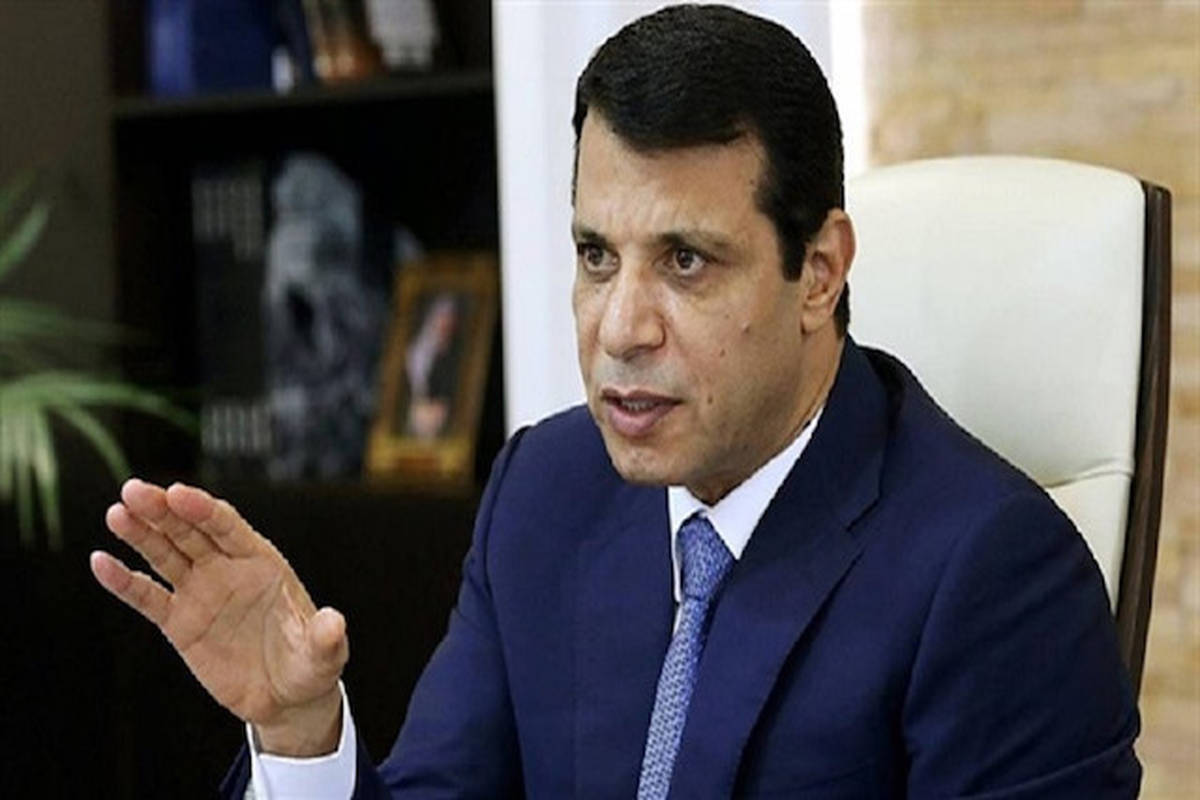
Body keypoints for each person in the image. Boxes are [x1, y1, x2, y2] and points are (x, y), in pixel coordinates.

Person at [90, 5, 1140, 798]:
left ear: (818, 271)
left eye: (686, 260)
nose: (621, 326)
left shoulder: (995, 571)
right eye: (597, 255)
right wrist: (301, 734)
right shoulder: (547, 490)